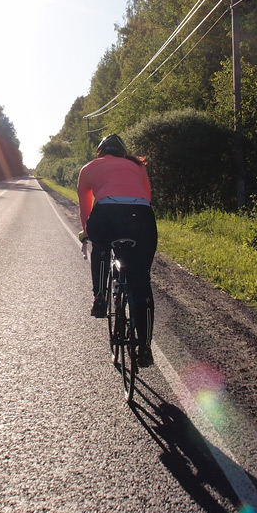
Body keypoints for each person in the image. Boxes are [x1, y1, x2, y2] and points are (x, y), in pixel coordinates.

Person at [77, 133, 157, 368]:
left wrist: (87, 232)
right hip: (141, 218)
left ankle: (100, 298)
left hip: (106, 215)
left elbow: (85, 209)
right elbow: (147, 198)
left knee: (100, 245)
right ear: (123, 152)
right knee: (141, 281)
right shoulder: (136, 166)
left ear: (100, 152)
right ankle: (145, 346)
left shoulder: (90, 167)